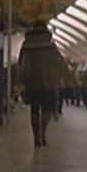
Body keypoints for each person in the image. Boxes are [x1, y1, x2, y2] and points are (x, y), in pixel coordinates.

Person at [17, 18, 66, 146]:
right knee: (46, 108)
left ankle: (36, 137)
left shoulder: (26, 44)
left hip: (31, 82)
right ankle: (43, 133)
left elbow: (20, 62)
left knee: (34, 109)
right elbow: (58, 62)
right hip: (48, 82)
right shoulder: (50, 45)